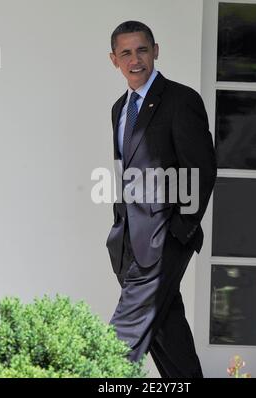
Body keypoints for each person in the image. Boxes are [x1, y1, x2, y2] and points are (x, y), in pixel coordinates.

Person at [106, 21, 217, 378]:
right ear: (114, 60)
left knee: (125, 332)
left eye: (142, 50)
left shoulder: (181, 100)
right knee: (167, 333)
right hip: (127, 242)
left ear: (156, 50)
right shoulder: (118, 109)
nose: (135, 59)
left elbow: (200, 168)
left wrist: (179, 232)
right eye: (126, 53)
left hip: (165, 237)